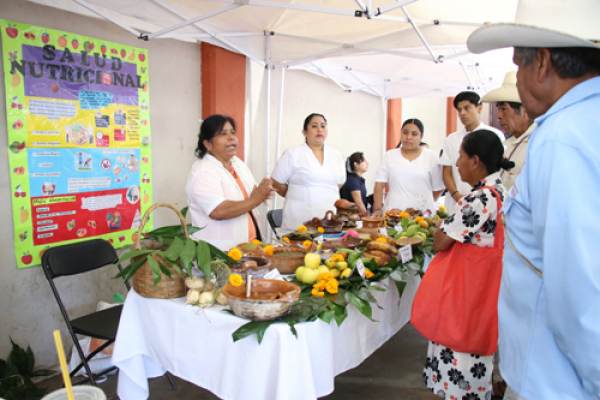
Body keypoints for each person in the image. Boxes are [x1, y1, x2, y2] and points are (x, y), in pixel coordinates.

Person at [468, 1, 600, 399]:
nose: (520, 80)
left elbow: (579, 291)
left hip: (559, 381)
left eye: (519, 65)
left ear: (541, 62)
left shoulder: (562, 137)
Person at [422, 130, 514, 400]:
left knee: (458, 357)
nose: (457, 164)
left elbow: (441, 241)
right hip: (483, 288)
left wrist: (441, 226)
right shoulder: (500, 190)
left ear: (475, 161)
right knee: (476, 360)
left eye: (460, 157)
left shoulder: (478, 199)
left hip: (464, 293)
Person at [185, 115, 274, 250]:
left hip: (250, 245)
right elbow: (218, 211)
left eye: (232, 132)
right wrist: (255, 200)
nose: (231, 137)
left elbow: (252, 193)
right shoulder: (202, 172)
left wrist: (263, 192)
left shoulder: (238, 164)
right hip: (220, 251)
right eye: (223, 134)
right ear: (207, 143)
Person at [271, 113, 345, 234]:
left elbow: (339, 183)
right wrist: (295, 194)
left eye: (323, 126)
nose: (319, 129)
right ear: (304, 132)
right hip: (298, 222)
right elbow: (276, 182)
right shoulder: (293, 154)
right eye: (314, 126)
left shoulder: (336, 155)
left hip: (330, 222)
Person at [440, 91, 505, 210]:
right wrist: (456, 195)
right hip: (457, 201)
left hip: (487, 199)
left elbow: (499, 169)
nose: (462, 113)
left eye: (467, 108)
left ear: (479, 108)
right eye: (459, 110)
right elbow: (447, 171)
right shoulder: (451, 139)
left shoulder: (494, 135)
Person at [372, 118, 444, 216]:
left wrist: (425, 201)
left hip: (422, 216)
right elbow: (379, 185)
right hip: (393, 215)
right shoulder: (389, 156)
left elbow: (438, 187)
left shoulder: (430, 156)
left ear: (421, 136)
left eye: (414, 134)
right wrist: (378, 209)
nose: (409, 137)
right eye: (405, 133)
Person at [481, 71, 536, 190]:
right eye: (498, 109)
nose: (498, 115)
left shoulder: (536, 145)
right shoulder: (506, 145)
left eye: (504, 109)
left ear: (524, 110)